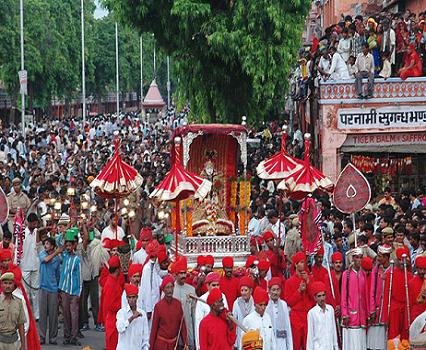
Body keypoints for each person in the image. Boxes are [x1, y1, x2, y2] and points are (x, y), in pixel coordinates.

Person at [284, 252, 315, 350]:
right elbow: (289, 302)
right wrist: (299, 291)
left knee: (308, 344)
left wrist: (308, 282)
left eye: (304, 262)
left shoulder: (310, 279)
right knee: (296, 344)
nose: (303, 264)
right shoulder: (289, 282)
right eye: (301, 262)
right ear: (296, 264)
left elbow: (314, 296)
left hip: (307, 315)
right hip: (296, 316)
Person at [149, 275, 188, 349]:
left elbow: (182, 326)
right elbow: (154, 328)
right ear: (163, 290)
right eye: (167, 287)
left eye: (171, 287)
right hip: (161, 345)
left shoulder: (178, 304)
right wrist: (151, 347)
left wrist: (185, 343)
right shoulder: (158, 306)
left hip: (174, 345)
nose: (170, 290)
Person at [341, 248, 369, 350]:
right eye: (357, 258)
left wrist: (367, 313)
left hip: (362, 316)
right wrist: (345, 314)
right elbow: (344, 295)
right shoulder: (346, 275)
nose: (359, 260)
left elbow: (365, 295)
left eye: (361, 258)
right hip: (351, 315)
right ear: (353, 258)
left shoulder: (363, 274)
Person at [383, 247, 412, 342]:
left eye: (404, 259)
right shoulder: (390, 274)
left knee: (405, 337)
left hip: (406, 309)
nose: (402, 262)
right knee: (393, 336)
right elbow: (387, 295)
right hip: (394, 309)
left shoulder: (410, 276)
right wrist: (385, 315)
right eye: (399, 260)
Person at [58, 230, 82, 346]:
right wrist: (64, 233)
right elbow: (58, 243)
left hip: (74, 291)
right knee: (66, 314)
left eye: (69, 245)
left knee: (74, 315)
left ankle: (74, 337)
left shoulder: (77, 259)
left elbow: (80, 277)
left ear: (74, 246)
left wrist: (79, 292)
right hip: (64, 290)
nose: (67, 247)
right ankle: (66, 336)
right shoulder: (65, 256)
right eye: (66, 245)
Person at [194, 272, 229, 350]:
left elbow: (227, 317)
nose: (216, 287)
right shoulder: (202, 300)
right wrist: (199, 347)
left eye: (218, 285)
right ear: (207, 286)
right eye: (213, 285)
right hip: (209, 339)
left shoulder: (223, 297)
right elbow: (198, 324)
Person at [368, 244, 392, 350]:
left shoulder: (392, 270)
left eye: (380, 256)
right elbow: (371, 291)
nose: (378, 258)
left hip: (388, 310)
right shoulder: (376, 269)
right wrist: (372, 308)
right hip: (377, 310)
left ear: (386, 257)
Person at [38, 237, 62, 345]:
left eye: (47, 244)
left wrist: (58, 289)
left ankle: (53, 337)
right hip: (43, 287)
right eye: (45, 243)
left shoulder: (57, 259)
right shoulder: (42, 253)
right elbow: (46, 260)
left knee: (53, 315)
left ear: (52, 246)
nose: (45, 245)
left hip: (53, 289)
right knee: (42, 314)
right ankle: (42, 337)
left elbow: (58, 274)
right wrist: (56, 252)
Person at [140, 248, 169, 324]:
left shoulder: (154, 267)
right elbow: (146, 290)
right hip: (150, 305)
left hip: (156, 302)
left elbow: (159, 280)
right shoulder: (147, 269)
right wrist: (148, 309)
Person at [172, 256, 196, 350]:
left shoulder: (191, 290)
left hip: (188, 331)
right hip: (174, 332)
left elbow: (194, 315)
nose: (183, 276)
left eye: (184, 273)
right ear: (176, 275)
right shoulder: (170, 289)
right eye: (181, 273)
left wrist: (194, 337)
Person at [306, 281, 339, 350]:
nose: (322, 298)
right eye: (319, 296)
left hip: (330, 347)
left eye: (323, 295)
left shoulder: (330, 309)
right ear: (315, 298)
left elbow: (333, 330)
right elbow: (310, 335)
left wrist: (336, 346)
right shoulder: (312, 313)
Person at [116, 283, 149, 350]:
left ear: (137, 297)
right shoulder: (121, 313)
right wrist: (132, 318)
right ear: (126, 298)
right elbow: (120, 328)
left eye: (133, 297)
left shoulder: (142, 314)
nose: (131, 300)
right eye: (129, 297)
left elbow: (145, 336)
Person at [20, 212, 40, 321]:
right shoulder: (22, 233)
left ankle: (37, 315)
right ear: (29, 223)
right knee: (26, 293)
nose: (35, 225)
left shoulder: (37, 232)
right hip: (25, 265)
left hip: (35, 265)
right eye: (34, 223)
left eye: (36, 223)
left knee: (35, 292)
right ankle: (26, 315)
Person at [0, 272, 26, 350]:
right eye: (5, 283)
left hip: (14, 343)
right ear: (1, 285)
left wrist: (23, 345)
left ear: (14, 285)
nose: (7, 286)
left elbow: (21, 325)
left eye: (10, 283)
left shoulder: (19, 302)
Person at [103, 255, 124, 350]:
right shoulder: (111, 284)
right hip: (113, 320)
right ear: (117, 269)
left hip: (113, 319)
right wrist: (124, 305)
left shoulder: (112, 281)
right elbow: (111, 305)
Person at [266, 277, 292, 350]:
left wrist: (289, 347)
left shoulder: (283, 304)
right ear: (269, 291)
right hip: (269, 342)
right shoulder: (265, 305)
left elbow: (287, 326)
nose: (275, 292)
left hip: (281, 342)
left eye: (278, 290)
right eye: (273, 290)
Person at [232, 276, 255, 349]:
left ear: (251, 290)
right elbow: (233, 322)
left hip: (253, 336)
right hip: (241, 337)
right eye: (242, 290)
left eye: (246, 290)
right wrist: (234, 342)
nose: (243, 293)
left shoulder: (255, 302)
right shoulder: (237, 303)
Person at [409, 256, 426, 324]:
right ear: (416, 268)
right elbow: (409, 304)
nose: (422, 271)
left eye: (424, 269)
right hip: (415, 316)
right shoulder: (411, 283)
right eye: (420, 269)